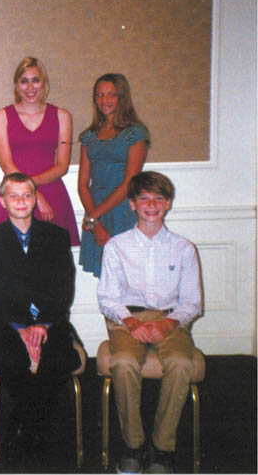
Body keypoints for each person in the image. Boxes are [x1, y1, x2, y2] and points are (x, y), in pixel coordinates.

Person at [98, 171, 201, 474]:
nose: (151, 204)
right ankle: (133, 445)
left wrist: (168, 324)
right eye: (144, 198)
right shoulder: (117, 246)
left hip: (171, 319)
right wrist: (132, 323)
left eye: (158, 198)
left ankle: (162, 447)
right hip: (127, 319)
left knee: (182, 363)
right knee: (125, 362)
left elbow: (191, 302)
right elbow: (107, 298)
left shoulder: (184, 249)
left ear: (168, 203)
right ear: (132, 204)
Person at [0, 173, 81, 464]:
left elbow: (64, 287)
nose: (21, 201)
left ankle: (23, 423)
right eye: (13, 196)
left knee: (61, 359)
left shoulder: (56, 236)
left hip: (50, 321)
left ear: (35, 199)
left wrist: (41, 325)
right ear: (3, 201)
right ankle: (39, 426)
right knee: (12, 362)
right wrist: (22, 329)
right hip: (7, 321)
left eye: (27, 195)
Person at [0, 57, 80, 246]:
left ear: (44, 83)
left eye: (35, 80)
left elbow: (62, 166)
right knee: (11, 260)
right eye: (24, 81)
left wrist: (32, 189)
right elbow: (7, 165)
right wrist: (34, 194)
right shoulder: (1, 117)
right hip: (15, 194)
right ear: (16, 85)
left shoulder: (62, 116)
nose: (30, 87)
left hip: (52, 193)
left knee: (52, 263)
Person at [78, 73, 149, 277]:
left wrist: (93, 217)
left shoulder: (135, 134)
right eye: (99, 95)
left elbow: (130, 183)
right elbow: (83, 184)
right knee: (107, 279)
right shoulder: (88, 136)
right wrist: (95, 223)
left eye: (111, 94)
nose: (104, 100)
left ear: (121, 97)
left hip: (123, 210)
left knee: (129, 275)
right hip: (95, 209)